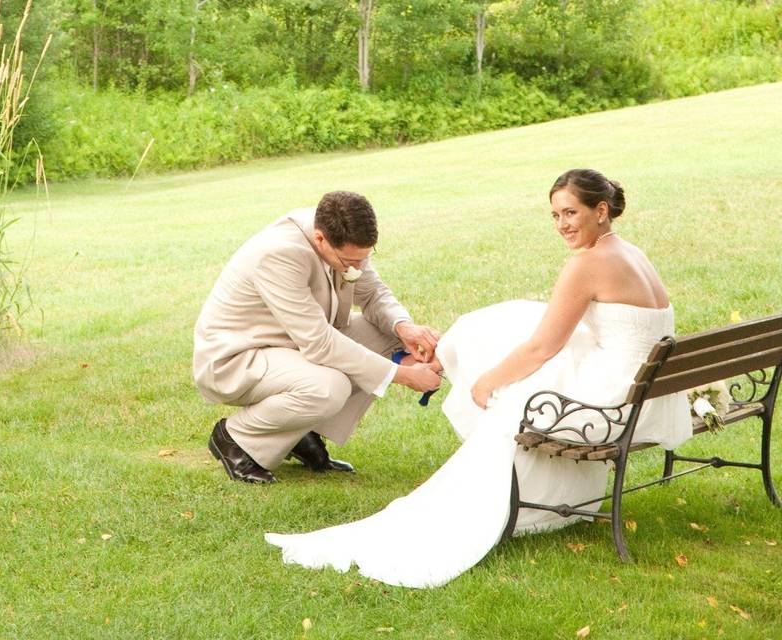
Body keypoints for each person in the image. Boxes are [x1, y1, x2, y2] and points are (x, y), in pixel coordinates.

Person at [265, 169, 692, 587]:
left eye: (570, 214)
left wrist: (487, 383)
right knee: (513, 324)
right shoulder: (630, 252)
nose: (561, 225)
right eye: (555, 216)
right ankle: (449, 361)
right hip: (651, 394)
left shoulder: (588, 265)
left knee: (513, 395)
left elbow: (541, 348)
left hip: (612, 405)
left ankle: (491, 473)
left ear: (601, 210)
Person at [193, 191, 442, 484]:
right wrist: (402, 375)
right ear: (321, 239)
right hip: (239, 358)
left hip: (290, 346)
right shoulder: (279, 254)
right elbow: (320, 343)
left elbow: (373, 293)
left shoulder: (342, 239)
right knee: (329, 387)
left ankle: (299, 432)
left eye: (364, 259)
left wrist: (404, 328)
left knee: (389, 336)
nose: (357, 269)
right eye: (350, 261)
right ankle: (236, 438)